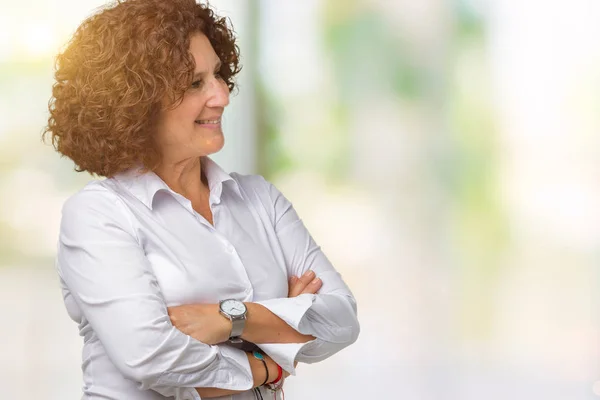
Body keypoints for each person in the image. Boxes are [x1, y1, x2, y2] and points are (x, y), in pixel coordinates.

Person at [43, 0, 360, 399]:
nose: (222, 96)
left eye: (218, 75)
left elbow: (342, 320)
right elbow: (150, 355)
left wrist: (231, 319)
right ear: (136, 104)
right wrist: (271, 358)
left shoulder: (260, 199)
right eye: (195, 83)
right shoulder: (99, 215)